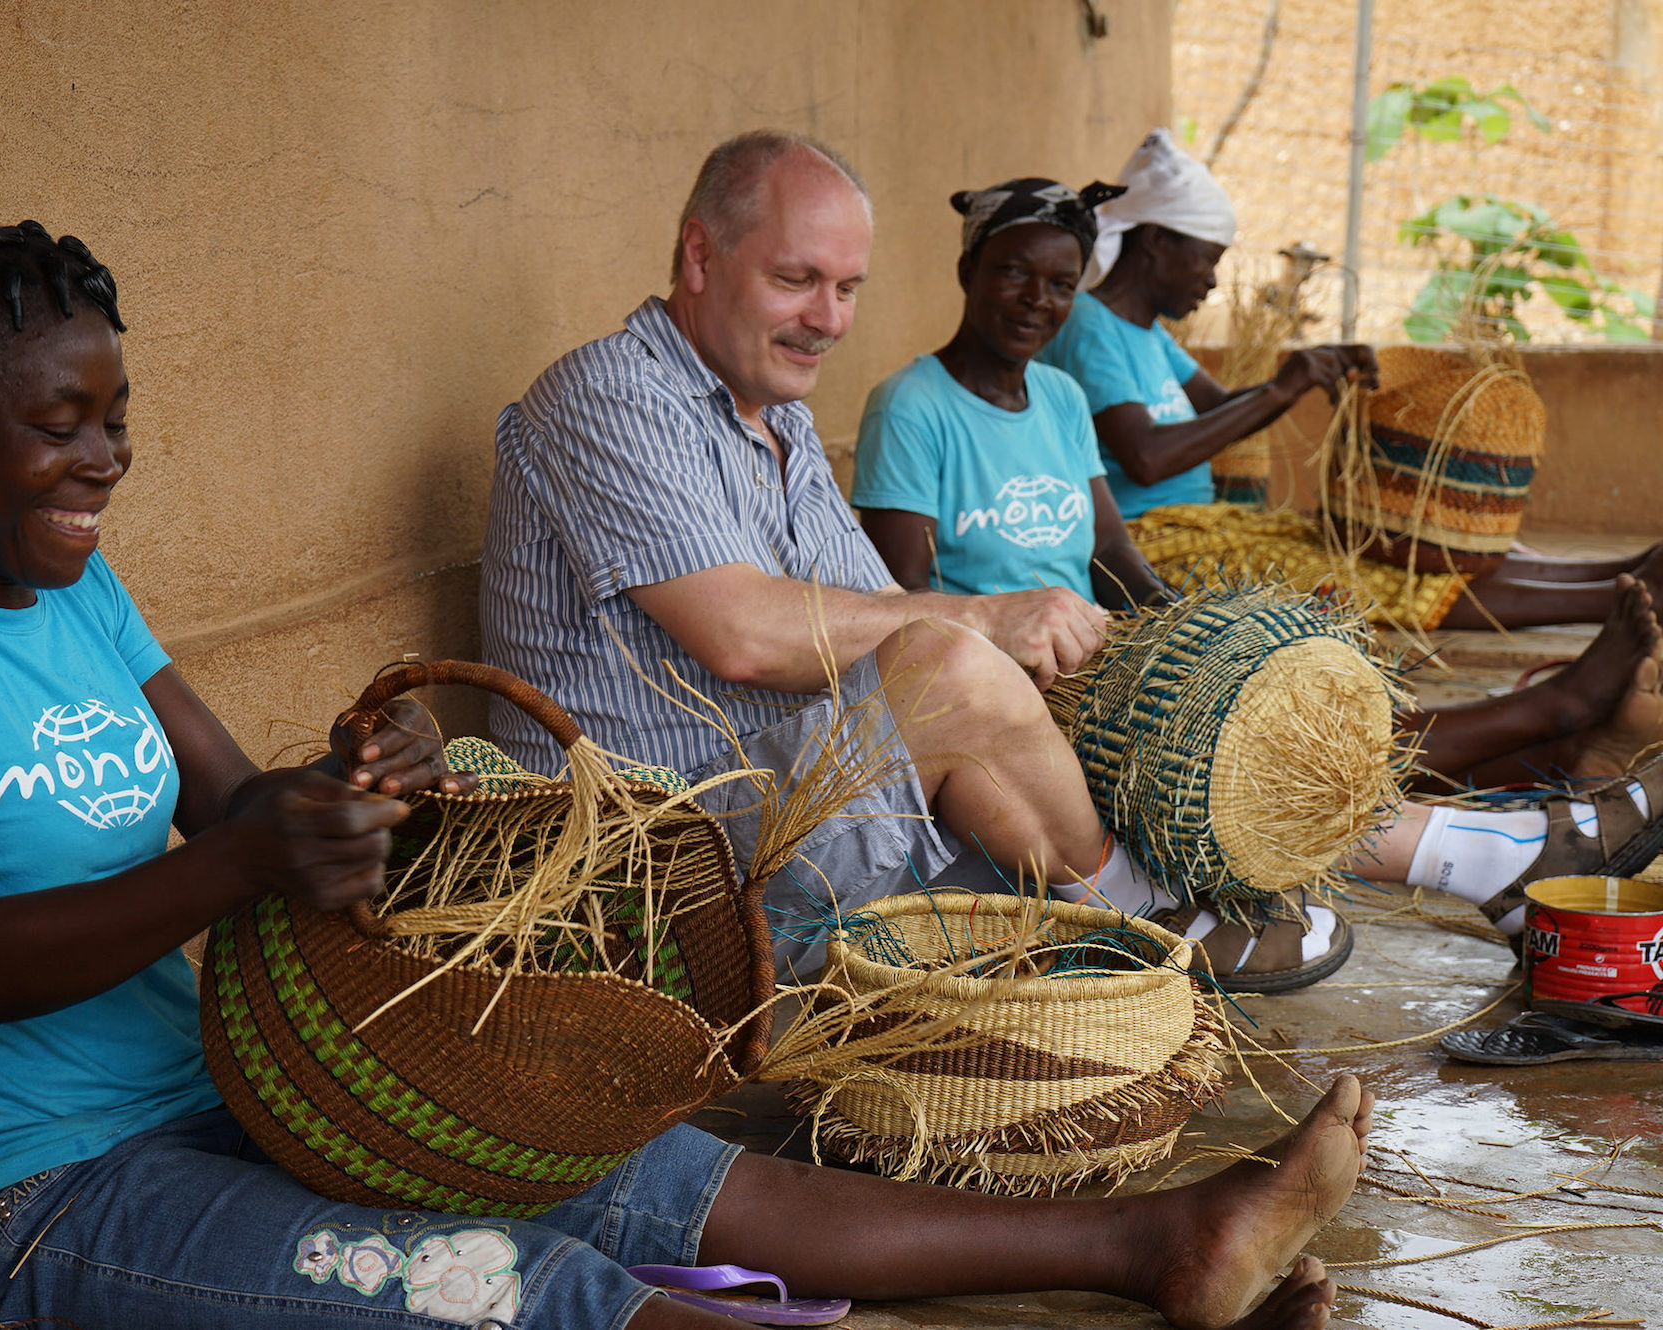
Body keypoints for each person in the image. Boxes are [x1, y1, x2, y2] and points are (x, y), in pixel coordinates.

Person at [0, 215, 1376, 1330]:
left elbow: (227, 807)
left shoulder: (75, 589)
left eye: (114, 416)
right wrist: (247, 863)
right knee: (535, 1293)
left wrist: (347, 787)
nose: (105, 459)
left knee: (628, 1164)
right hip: (23, 1198)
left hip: (225, 1091)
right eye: (56, 425)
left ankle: (1157, 1239)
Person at [478, 131, 1663, 991]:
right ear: (696, 254)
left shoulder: (775, 424)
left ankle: (1468, 852)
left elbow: (873, 610)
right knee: (956, 665)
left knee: (1141, 696)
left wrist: (1064, 647)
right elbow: (743, 631)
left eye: (845, 289)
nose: (827, 321)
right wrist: (987, 623)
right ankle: (1162, 920)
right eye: (795, 280)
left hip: (800, 784)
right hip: (673, 848)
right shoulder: (606, 396)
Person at [855, 177, 1663, 793]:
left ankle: (1554, 747)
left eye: (1061, 284)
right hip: (1016, 684)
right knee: (1267, 752)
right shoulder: (911, 407)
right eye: (1013, 274)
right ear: (967, 269)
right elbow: (907, 602)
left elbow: (1107, 546)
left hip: (1101, 650)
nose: (1038, 301)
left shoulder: (1060, 398)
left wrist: (1202, 631)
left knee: (1291, 693)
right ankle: (1551, 714)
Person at [1040, 128, 1663, 639]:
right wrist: (1284, 388)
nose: (1211, 282)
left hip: (1205, 523)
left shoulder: (1146, 335)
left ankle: (1621, 574)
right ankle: (1616, 600)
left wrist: (1309, 370)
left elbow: (1223, 411)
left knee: (1387, 542)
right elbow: (1146, 458)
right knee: (1366, 573)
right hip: (1151, 544)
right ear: (1155, 243)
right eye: (1207, 259)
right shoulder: (1091, 330)